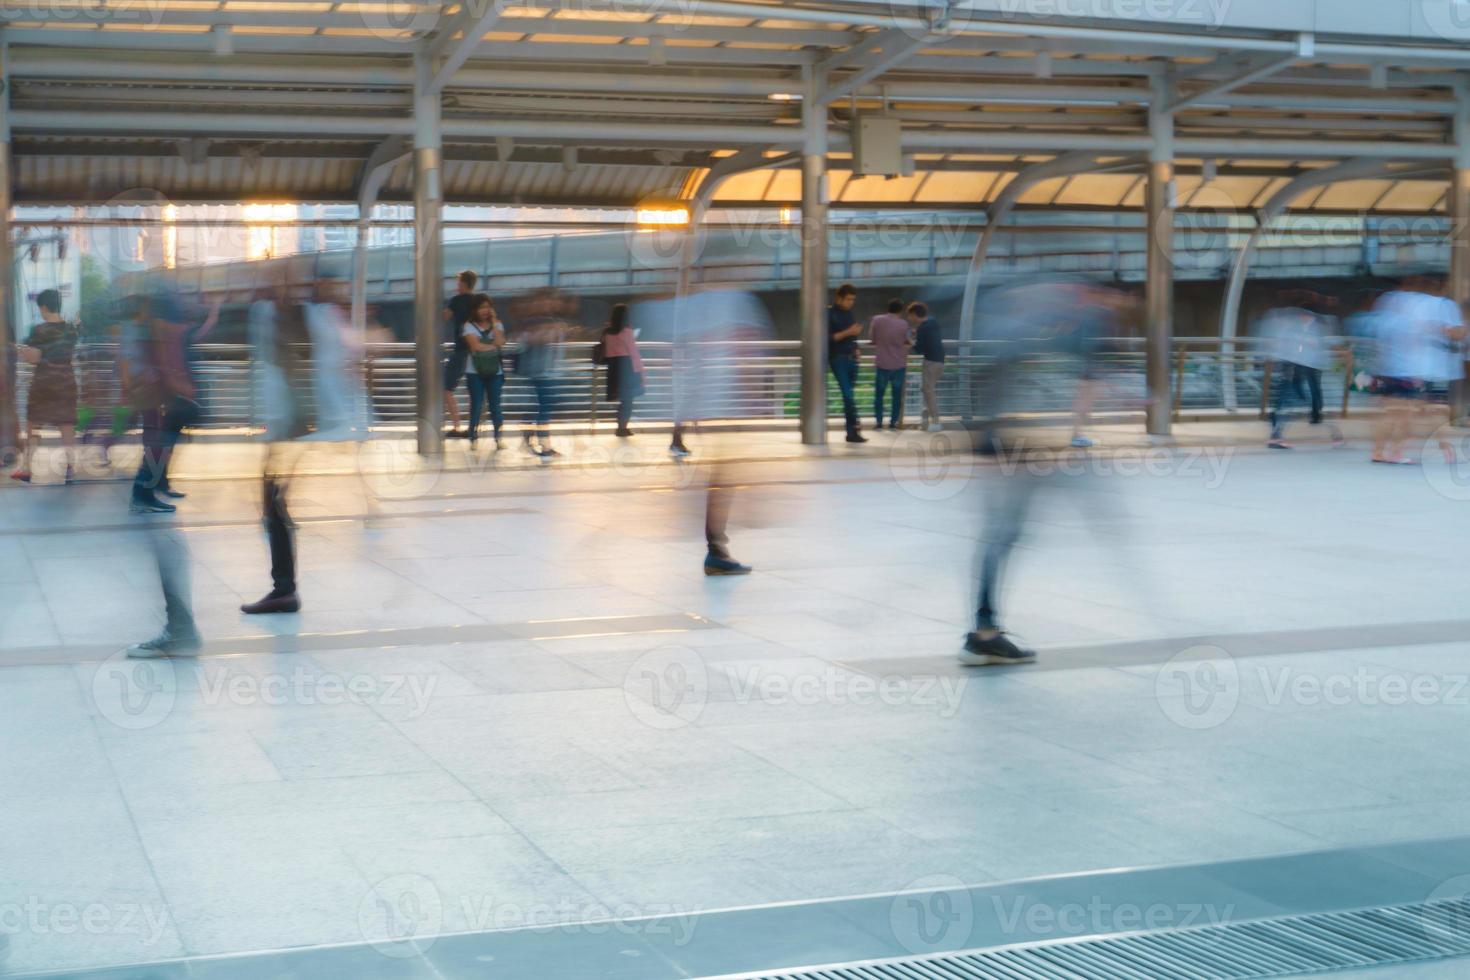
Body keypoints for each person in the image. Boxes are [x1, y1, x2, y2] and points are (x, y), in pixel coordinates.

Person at [10, 289, 78, 484]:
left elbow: (34, 358)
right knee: (66, 426)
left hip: (45, 383)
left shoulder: (39, 330)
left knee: (33, 424)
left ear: (44, 307)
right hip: (66, 381)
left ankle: (27, 469)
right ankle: (70, 469)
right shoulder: (71, 329)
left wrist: (19, 349)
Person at [511, 288, 571, 458]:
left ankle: (528, 435)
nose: (551, 303)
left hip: (549, 370)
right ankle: (543, 445)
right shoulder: (532, 321)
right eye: (547, 300)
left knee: (540, 406)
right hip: (537, 371)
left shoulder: (550, 319)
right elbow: (527, 340)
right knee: (544, 407)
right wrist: (551, 331)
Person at [462, 293, 507, 449]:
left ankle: (498, 437)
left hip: (496, 372)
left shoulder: (498, 324)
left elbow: (501, 341)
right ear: (475, 309)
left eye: (487, 307)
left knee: (496, 405)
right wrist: (493, 347)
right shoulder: (468, 326)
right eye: (481, 307)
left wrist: (494, 322)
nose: (485, 311)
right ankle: (473, 437)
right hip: (474, 372)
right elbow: (475, 347)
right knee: (476, 404)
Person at [828, 283, 866, 443]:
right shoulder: (829, 314)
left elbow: (852, 337)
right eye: (849, 299)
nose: (851, 302)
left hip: (852, 358)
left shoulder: (849, 313)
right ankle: (856, 426)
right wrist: (849, 332)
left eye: (853, 300)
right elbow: (829, 338)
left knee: (848, 397)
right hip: (838, 358)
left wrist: (856, 347)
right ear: (839, 298)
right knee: (848, 395)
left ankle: (852, 433)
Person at [442, 269, 478, 439]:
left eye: (458, 282)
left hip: (461, 351)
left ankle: (457, 426)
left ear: (463, 283)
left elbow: (443, 318)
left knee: (446, 388)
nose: (457, 286)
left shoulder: (455, 301)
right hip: (478, 352)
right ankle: (473, 428)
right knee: (475, 390)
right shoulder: (479, 302)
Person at [601, 303, 645, 438]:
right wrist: (641, 371)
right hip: (627, 367)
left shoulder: (607, 331)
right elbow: (634, 353)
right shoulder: (626, 331)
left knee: (622, 400)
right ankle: (622, 428)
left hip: (613, 368)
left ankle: (620, 427)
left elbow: (606, 350)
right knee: (628, 400)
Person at [869, 299, 912, 431]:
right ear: (900, 311)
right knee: (896, 396)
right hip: (899, 364)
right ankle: (893, 423)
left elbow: (873, 339)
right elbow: (908, 341)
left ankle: (879, 422)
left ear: (888, 308)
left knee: (879, 395)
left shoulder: (877, 320)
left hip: (882, 363)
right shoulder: (904, 324)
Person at [907, 302, 945, 432]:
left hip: (931, 362)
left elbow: (919, 349)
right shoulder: (932, 321)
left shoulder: (923, 328)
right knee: (926, 390)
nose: (909, 318)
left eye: (910, 316)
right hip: (940, 361)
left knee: (928, 391)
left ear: (914, 314)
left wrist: (910, 342)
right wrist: (917, 333)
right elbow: (930, 338)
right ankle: (925, 422)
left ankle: (936, 422)